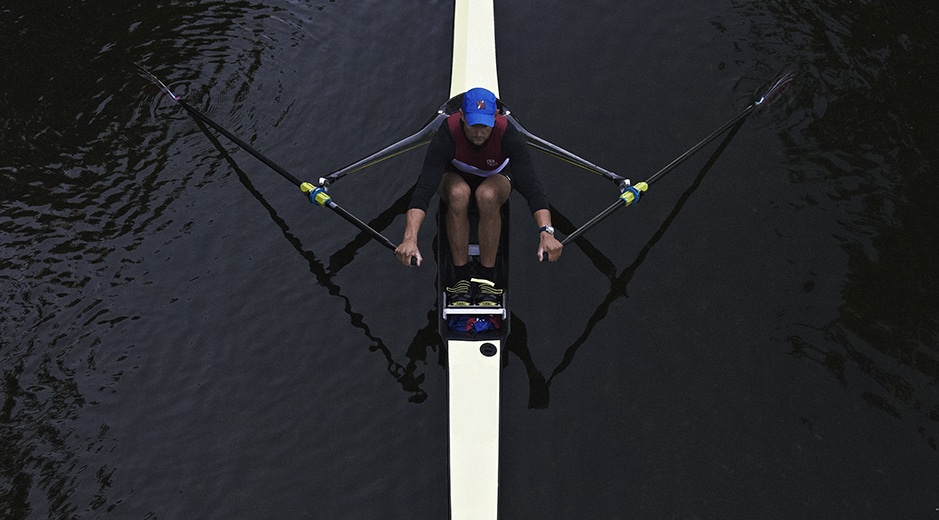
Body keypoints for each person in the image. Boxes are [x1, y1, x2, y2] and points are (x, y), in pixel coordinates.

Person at [394, 87, 562, 306]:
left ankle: (487, 278)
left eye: (485, 125)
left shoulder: (508, 134)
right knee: (458, 193)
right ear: (462, 116)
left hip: (495, 179)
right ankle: (460, 278)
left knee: (487, 195)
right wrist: (410, 238)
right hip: (455, 178)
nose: (479, 133)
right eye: (474, 125)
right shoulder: (447, 133)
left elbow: (532, 188)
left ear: (496, 116)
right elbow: (424, 190)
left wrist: (546, 232)